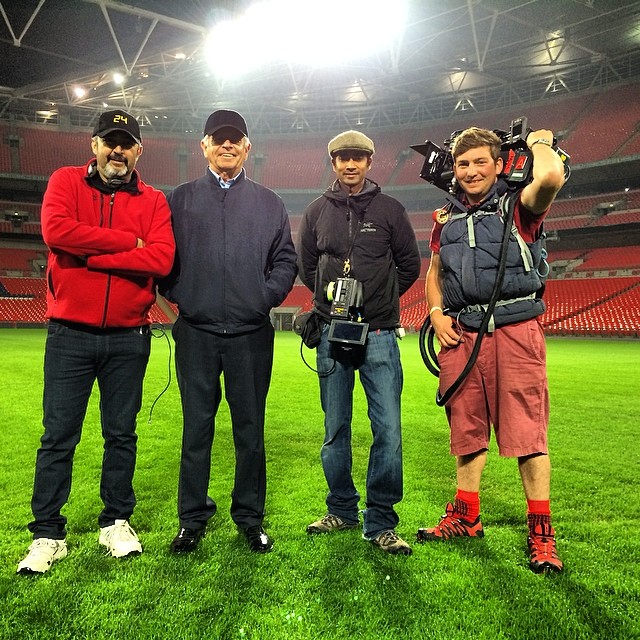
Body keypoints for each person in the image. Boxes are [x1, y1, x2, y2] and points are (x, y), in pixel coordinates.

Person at [17, 109, 175, 574]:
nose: (118, 150)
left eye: (127, 143)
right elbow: (56, 233)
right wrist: (131, 245)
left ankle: (116, 520)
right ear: (95, 145)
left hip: (130, 335)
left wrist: (90, 258)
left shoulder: (154, 199)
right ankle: (48, 533)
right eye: (110, 141)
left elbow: (163, 260)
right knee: (58, 437)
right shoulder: (65, 181)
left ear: (139, 150)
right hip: (70, 334)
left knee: (121, 434)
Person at [416, 126, 566, 573]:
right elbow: (436, 271)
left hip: (515, 329)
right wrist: (437, 313)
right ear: (453, 170)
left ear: (499, 164)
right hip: (461, 333)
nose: (470, 171)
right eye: (463, 164)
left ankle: (541, 532)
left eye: (480, 161)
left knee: (527, 434)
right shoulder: (445, 217)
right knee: (466, 428)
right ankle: (466, 515)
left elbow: (553, 178)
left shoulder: (517, 204)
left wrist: (539, 142)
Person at [158, 109, 297, 554]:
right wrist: (184, 296)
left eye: (235, 139)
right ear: (204, 146)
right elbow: (162, 259)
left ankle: (249, 518)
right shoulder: (178, 199)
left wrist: (262, 297)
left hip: (250, 333)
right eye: (219, 139)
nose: (227, 146)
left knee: (249, 430)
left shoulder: (269, 201)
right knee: (196, 428)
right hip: (196, 332)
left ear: (247, 147)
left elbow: (286, 262)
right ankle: (191, 518)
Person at [297, 130, 421, 555]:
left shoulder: (390, 209)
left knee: (387, 428)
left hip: (380, 333)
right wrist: (333, 304)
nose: (350, 165)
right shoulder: (316, 212)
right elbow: (307, 266)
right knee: (335, 428)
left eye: (358, 158)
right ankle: (342, 509)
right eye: (342, 158)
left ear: (370, 162)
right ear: (333, 163)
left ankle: (382, 520)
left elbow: (409, 265)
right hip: (332, 331)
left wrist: (379, 301)